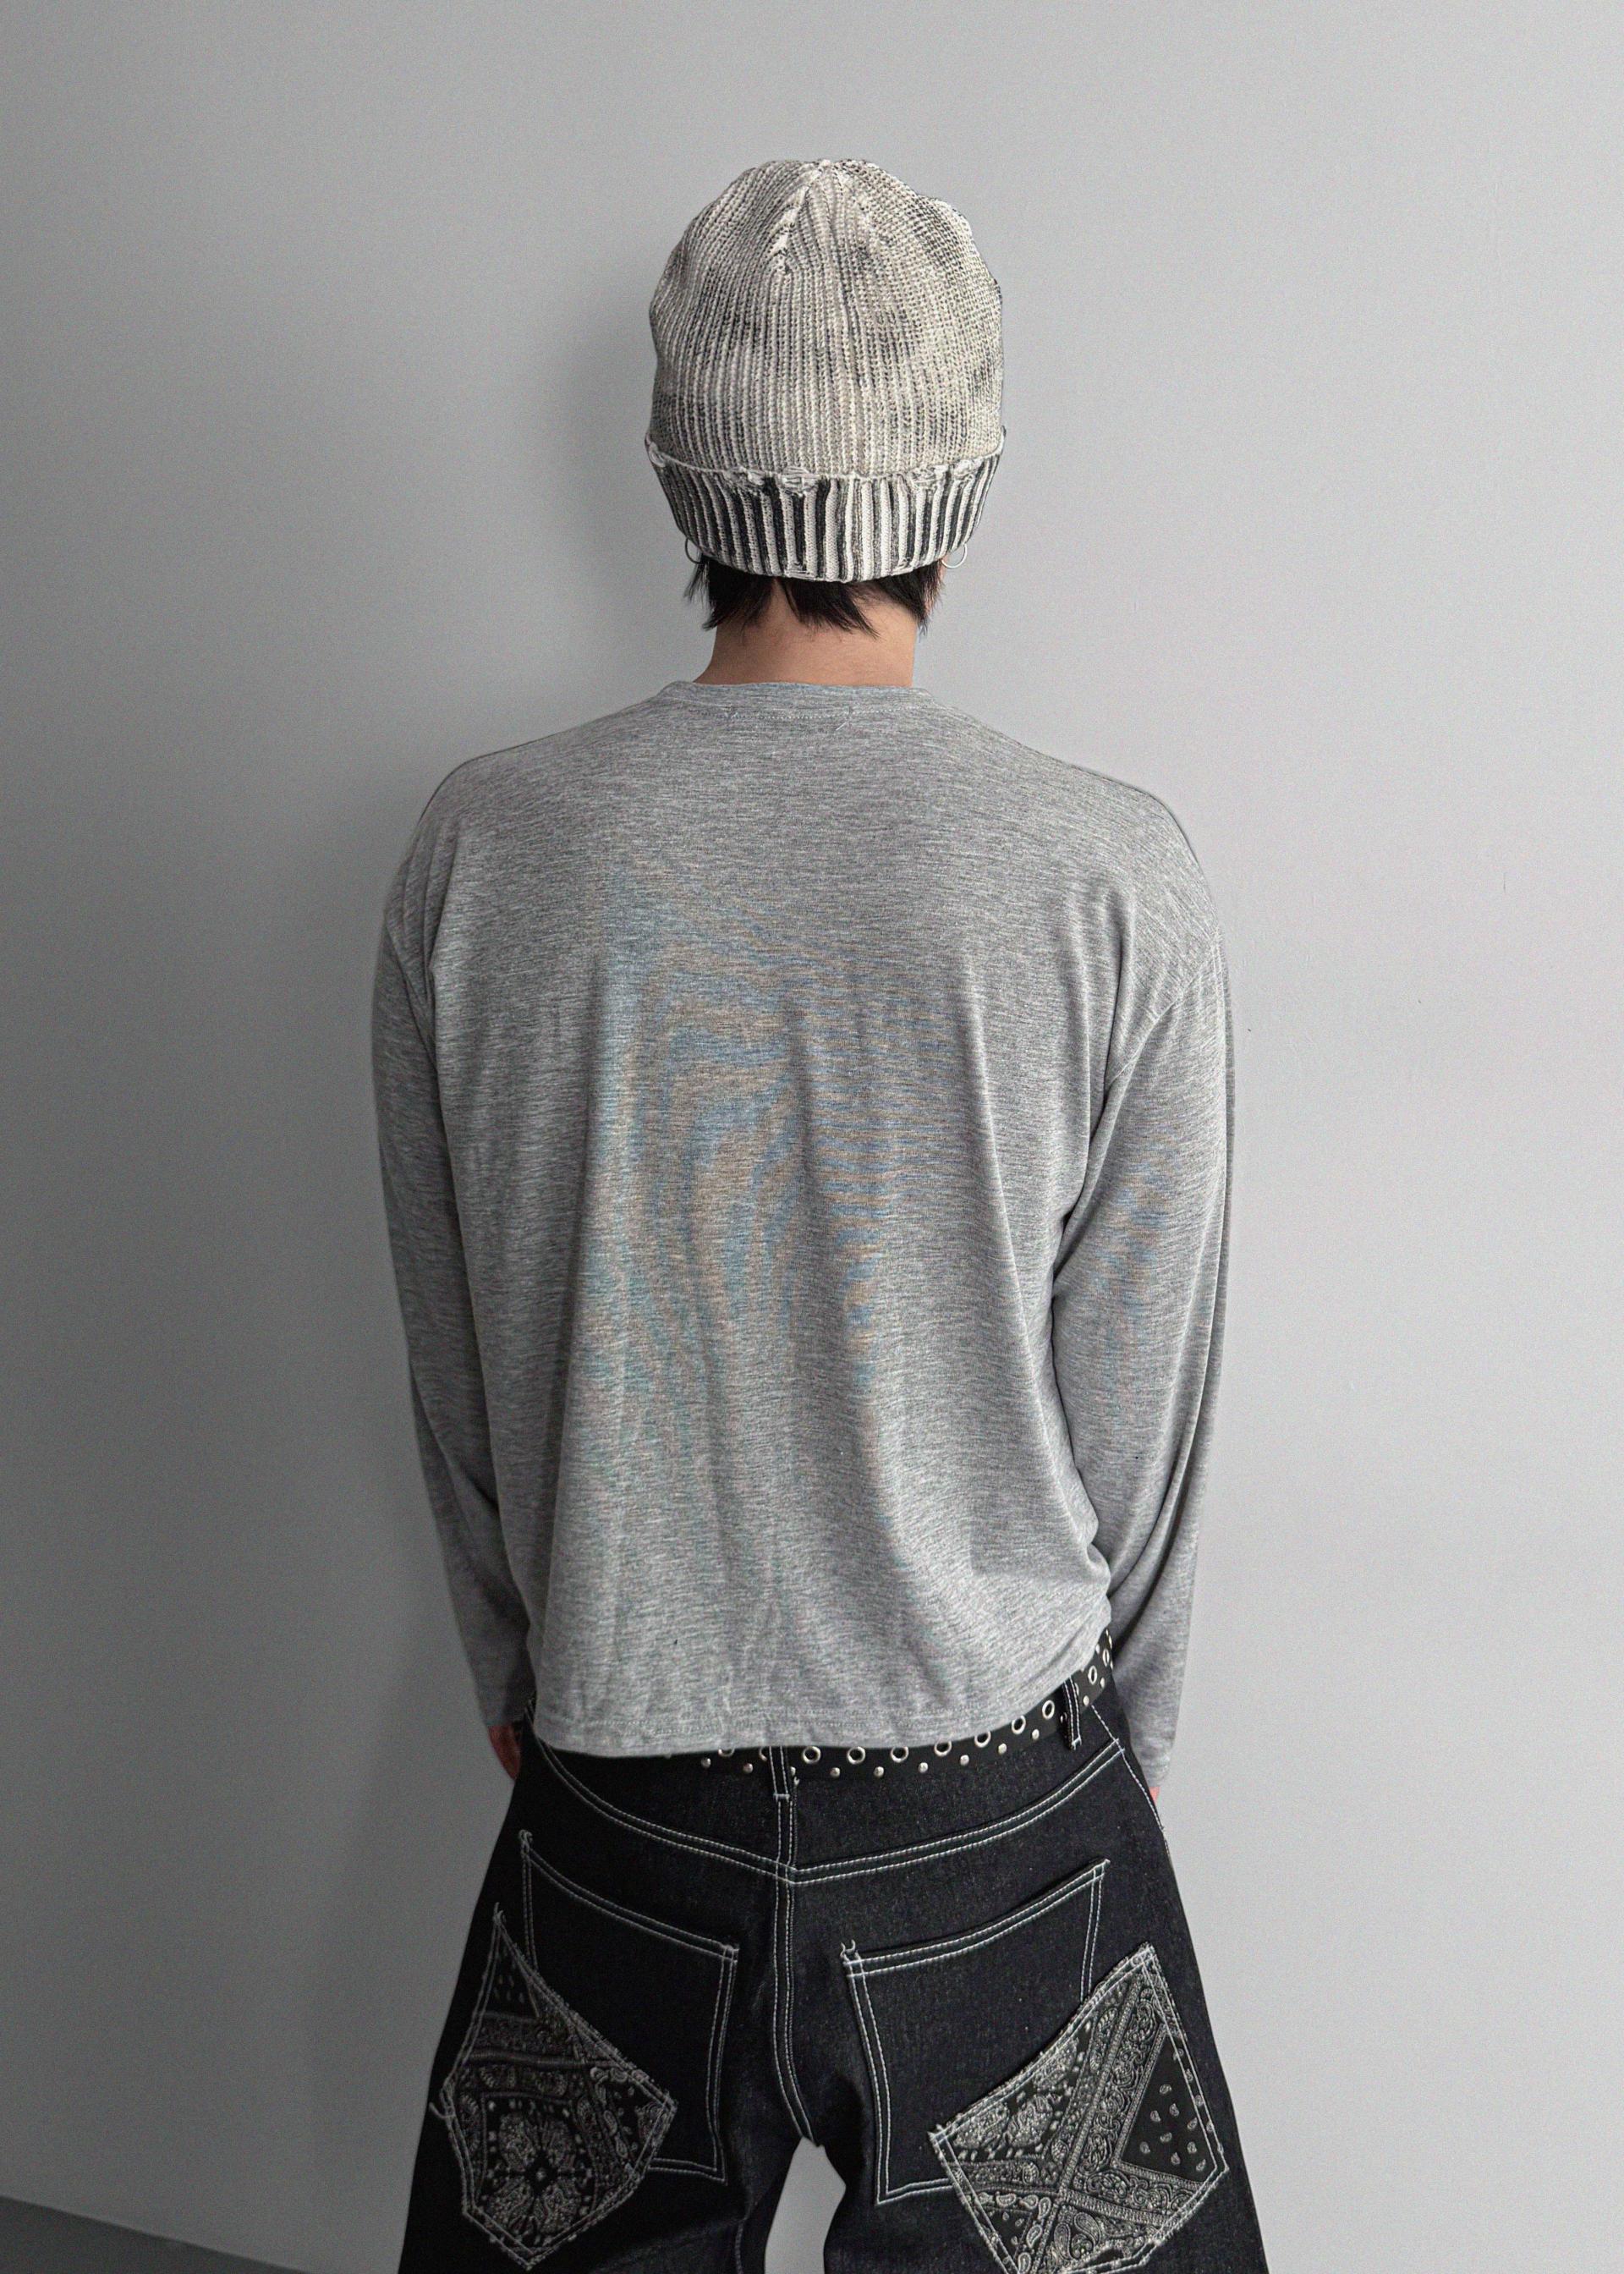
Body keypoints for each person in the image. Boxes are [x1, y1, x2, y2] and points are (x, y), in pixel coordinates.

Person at [372, 157, 1270, 2273]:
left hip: (624, 1817)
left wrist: (529, 1673)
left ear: (679, 468)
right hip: (996, 1825)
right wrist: (1117, 1758)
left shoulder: (483, 855)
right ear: (963, 478)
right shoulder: (1107, 877)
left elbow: (459, 1357)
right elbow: (1145, 1401)